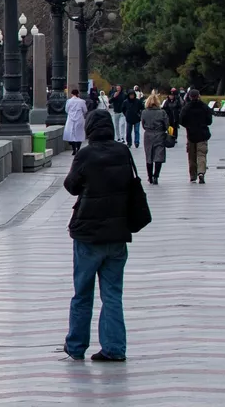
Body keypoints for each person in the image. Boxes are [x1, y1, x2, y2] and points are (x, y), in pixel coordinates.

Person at [63, 110, 134, 362]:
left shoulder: (85, 155)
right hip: (117, 234)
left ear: (89, 129)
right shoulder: (123, 152)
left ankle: (76, 346)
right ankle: (114, 348)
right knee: (113, 294)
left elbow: (71, 186)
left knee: (82, 293)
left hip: (88, 235)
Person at [180, 90, 213, 184]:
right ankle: (201, 173)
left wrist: (189, 126)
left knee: (191, 156)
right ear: (198, 96)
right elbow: (209, 121)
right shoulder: (204, 107)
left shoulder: (186, 108)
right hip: (202, 134)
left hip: (191, 134)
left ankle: (193, 175)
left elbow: (181, 120)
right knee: (202, 154)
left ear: (190, 97)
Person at [140, 94, 169, 185]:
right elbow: (167, 124)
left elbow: (143, 124)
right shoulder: (162, 112)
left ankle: (149, 177)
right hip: (159, 134)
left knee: (149, 156)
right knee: (158, 156)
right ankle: (156, 176)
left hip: (148, 135)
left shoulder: (144, 112)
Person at [64, 89, 87, 155]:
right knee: (79, 134)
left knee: (72, 134)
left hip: (70, 119)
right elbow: (85, 110)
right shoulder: (82, 101)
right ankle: (78, 149)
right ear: (78, 94)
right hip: (79, 118)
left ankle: (74, 149)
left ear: (72, 94)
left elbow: (66, 110)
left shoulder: (69, 101)